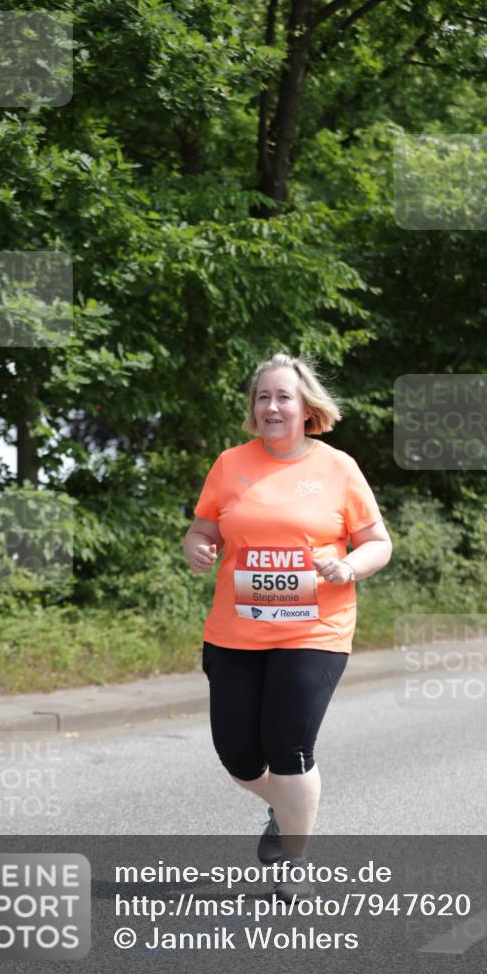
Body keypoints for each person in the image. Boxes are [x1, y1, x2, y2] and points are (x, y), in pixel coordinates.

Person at [182, 353, 392, 901]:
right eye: (262, 397)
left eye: (283, 398)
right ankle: (286, 811)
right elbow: (201, 528)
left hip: (315, 628)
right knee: (238, 756)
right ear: (253, 408)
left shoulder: (338, 468)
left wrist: (348, 566)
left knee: (288, 746)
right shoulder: (231, 464)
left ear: (306, 409)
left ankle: (292, 859)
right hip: (235, 630)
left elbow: (378, 542)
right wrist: (198, 548)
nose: (272, 407)